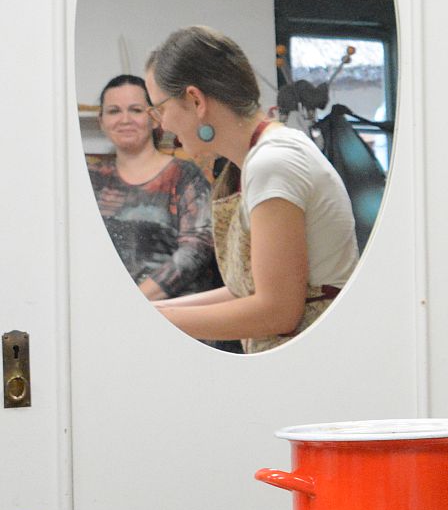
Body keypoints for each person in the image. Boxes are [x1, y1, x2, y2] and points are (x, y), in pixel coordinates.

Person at [145, 26, 359, 353]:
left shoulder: (273, 162)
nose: (161, 125)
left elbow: (277, 311)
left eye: (159, 108)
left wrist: (160, 321)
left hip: (315, 361)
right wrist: (154, 312)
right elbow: (247, 288)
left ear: (195, 99)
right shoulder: (257, 159)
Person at [89, 74, 221, 302]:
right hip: (105, 309)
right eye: (113, 111)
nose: (125, 119)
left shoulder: (185, 176)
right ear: (101, 121)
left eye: (136, 110)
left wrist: (137, 302)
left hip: (174, 316)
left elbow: (196, 250)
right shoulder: (91, 180)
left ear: (154, 118)